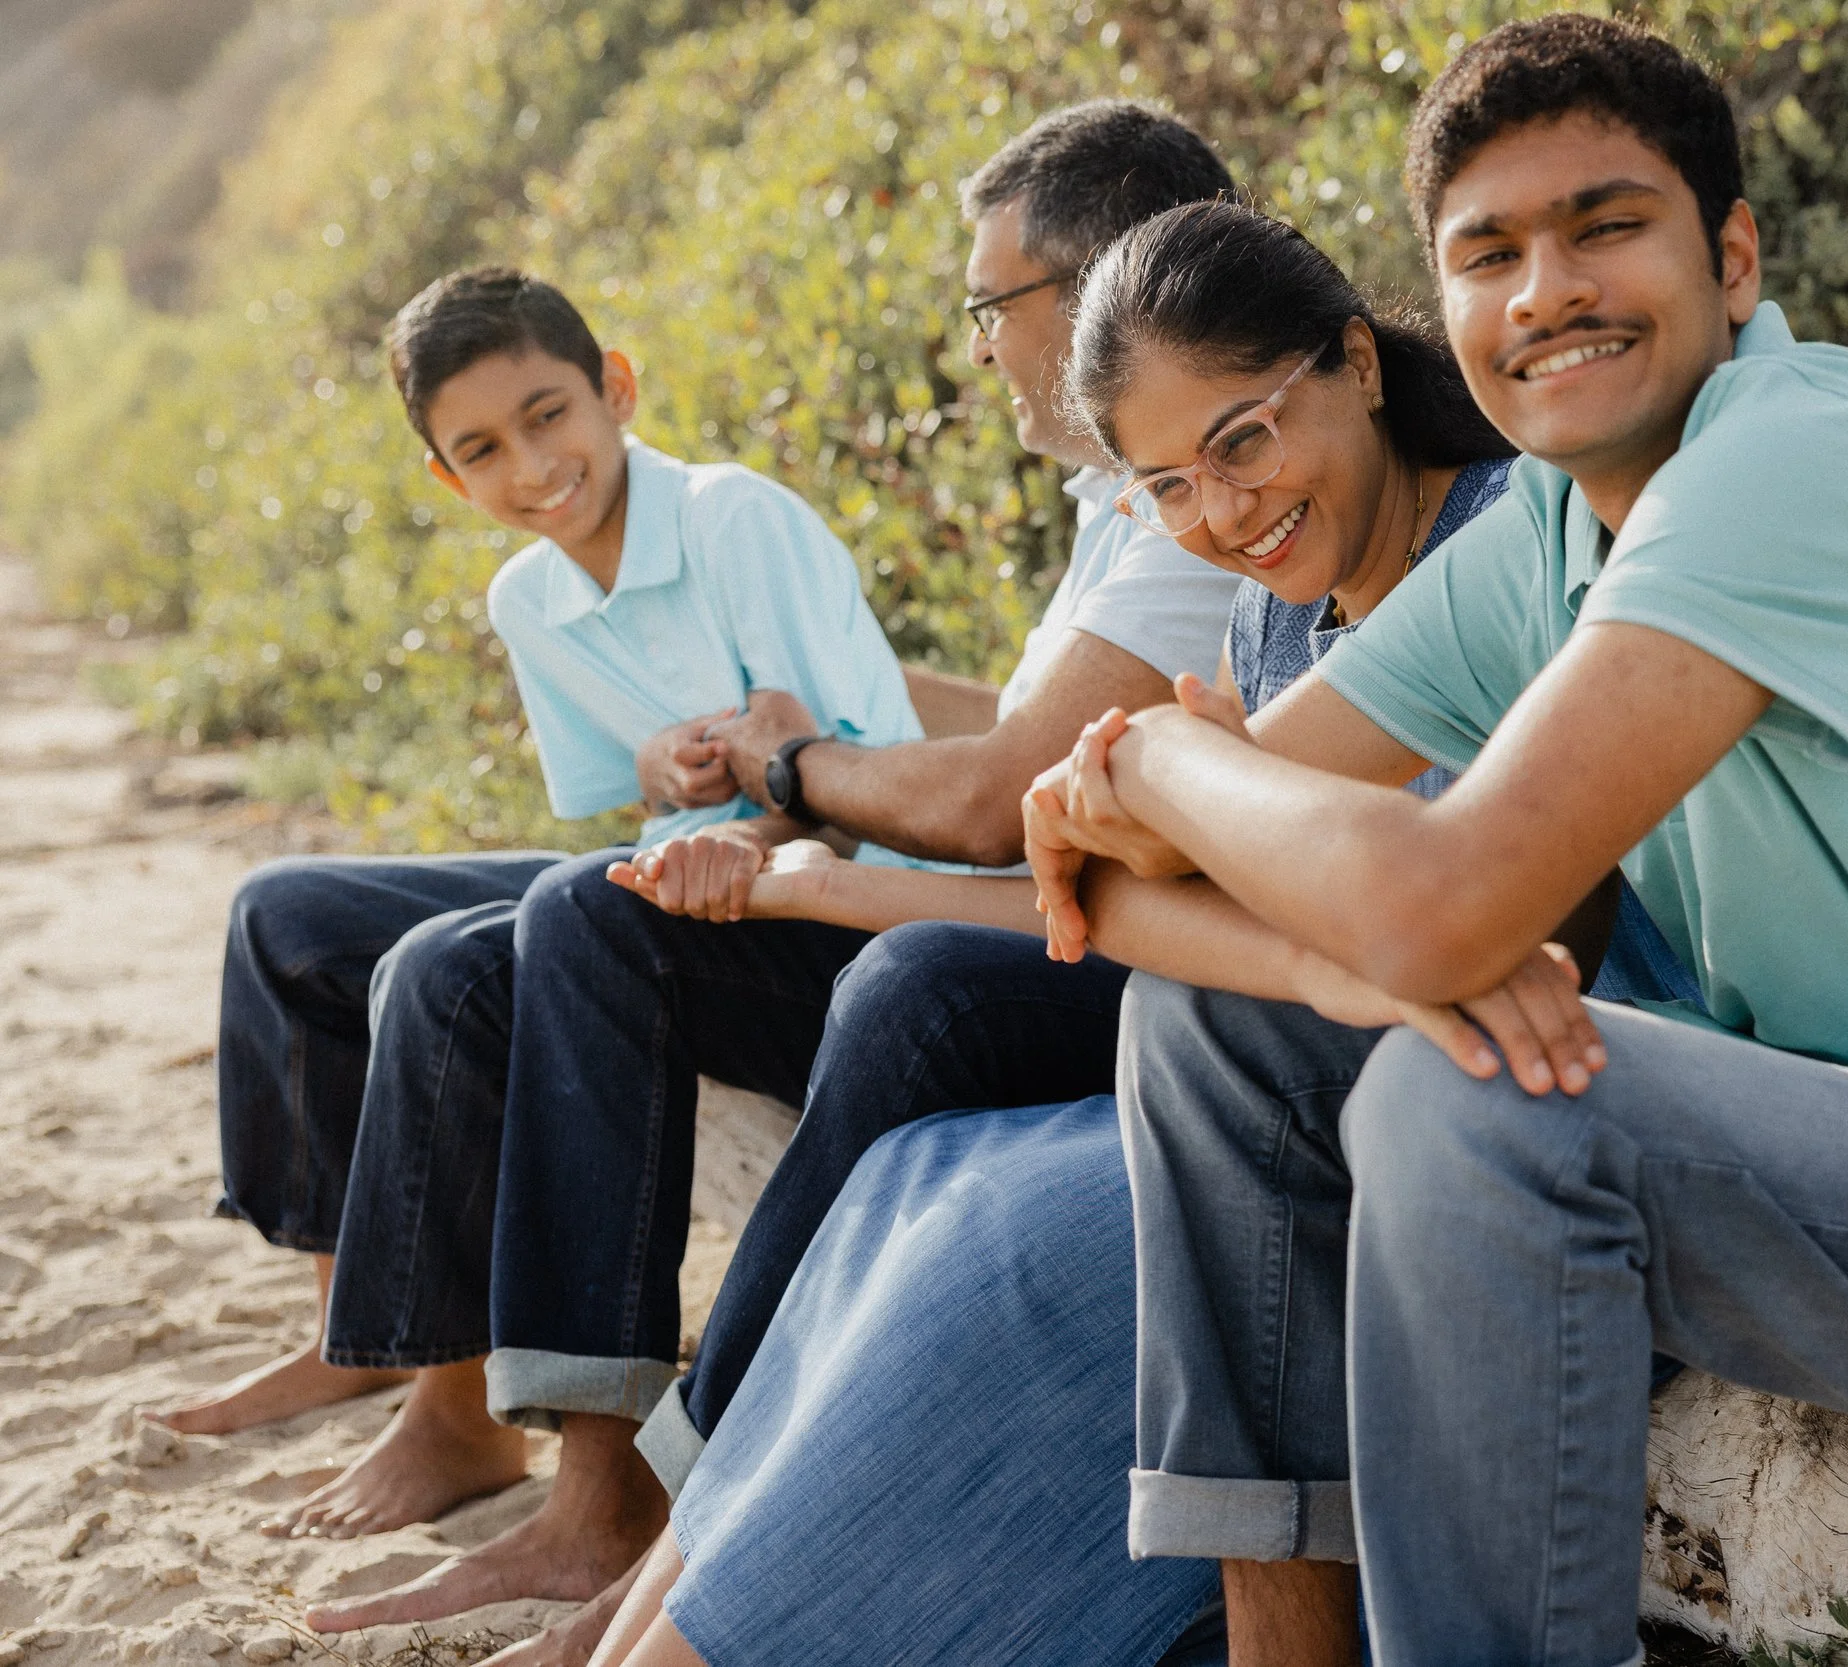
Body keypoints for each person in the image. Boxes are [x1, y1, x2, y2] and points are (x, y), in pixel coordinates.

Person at [1026, 17, 1848, 1666]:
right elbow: (1112, 891)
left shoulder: (1794, 461)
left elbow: (1431, 901)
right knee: (1222, 1018)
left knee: (1470, 1096)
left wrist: (1178, 765)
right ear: (1448, 313)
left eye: (1603, 227)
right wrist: (1320, 969)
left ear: (1735, 258)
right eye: (1491, 254)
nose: (1545, 289)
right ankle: (1294, 1632)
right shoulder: (1553, 529)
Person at [571, 200, 1691, 1667]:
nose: (1224, 512)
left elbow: (1438, 912)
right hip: (1287, 1069)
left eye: (1244, 441)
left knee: (1022, 1254)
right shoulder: (1271, 616)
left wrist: (1212, 876)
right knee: (923, 1173)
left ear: (1357, 361)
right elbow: (1121, 899)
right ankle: (661, 1619)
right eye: (1168, 484)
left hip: (1522, 1083)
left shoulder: (1504, 539)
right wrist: (1233, 904)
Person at [304, 100, 1247, 1651]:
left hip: (1063, 932)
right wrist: (795, 736)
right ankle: (550, 1450)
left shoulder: (1202, 503)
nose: (977, 351)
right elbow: (1009, 733)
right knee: (502, 941)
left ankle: (658, 1492)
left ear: (1094, 297)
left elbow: (988, 796)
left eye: (985, 310)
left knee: (749, 951)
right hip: (978, 871)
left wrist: (794, 776)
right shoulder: (1118, 505)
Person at [170, 267, 926, 1546]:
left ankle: (465, 1414)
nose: (532, 465)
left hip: (830, 901)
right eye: (481, 449)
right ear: (443, 478)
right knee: (285, 917)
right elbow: (622, 809)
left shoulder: (735, 523)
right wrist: (658, 778)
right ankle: (356, 1327)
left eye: (548, 415)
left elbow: (850, 789)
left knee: (443, 969)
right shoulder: (529, 596)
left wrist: (744, 818)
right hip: (655, 891)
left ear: (614, 389)